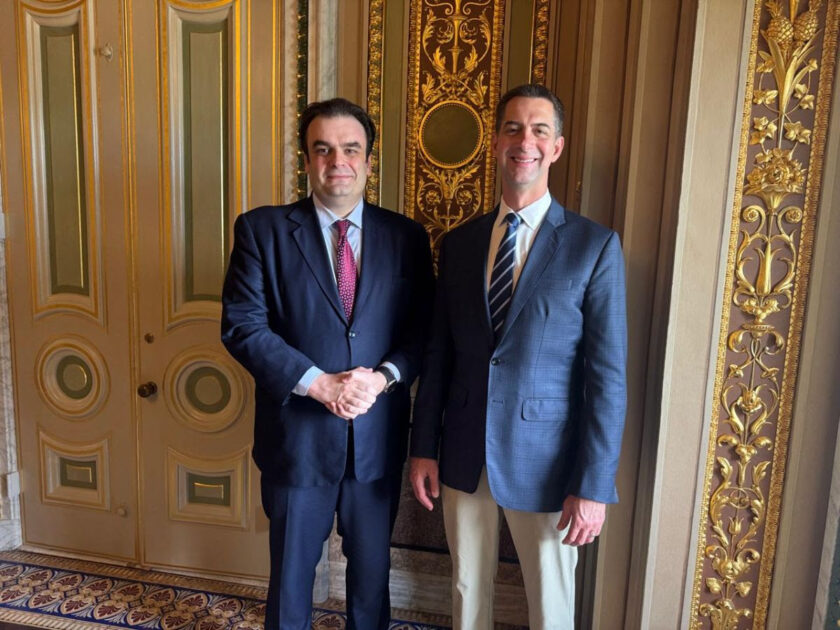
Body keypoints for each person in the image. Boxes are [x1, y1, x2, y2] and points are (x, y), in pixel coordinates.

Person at [408, 84, 627, 629]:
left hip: (548, 462)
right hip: (463, 452)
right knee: (467, 591)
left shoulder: (593, 246)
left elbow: (607, 378)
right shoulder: (459, 244)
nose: (524, 142)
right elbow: (438, 356)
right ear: (496, 142)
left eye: (538, 131)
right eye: (512, 129)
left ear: (556, 147)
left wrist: (593, 484)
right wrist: (423, 448)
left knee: (551, 602)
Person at [222, 98, 434, 630]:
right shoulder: (261, 230)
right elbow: (243, 327)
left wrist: (381, 379)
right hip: (297, 442)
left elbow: (421, 332)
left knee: (371, 581)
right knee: (291, 581)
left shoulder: (406, 237)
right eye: (323, 149)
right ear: (307, 160)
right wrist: (319, 385)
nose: (338, 161)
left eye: (350, 149)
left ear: (369, 161)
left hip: (375, 443)